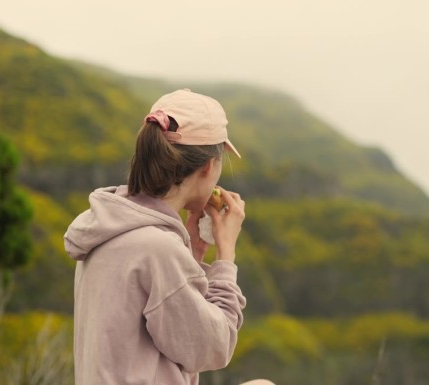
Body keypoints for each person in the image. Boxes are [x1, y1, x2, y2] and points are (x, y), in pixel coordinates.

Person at [64, 89, 273, 385]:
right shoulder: (157, 248)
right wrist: (226, 256)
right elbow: (212, 347)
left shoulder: (107, 228)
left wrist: (193, 252)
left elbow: (165, 326)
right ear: (207, 167)